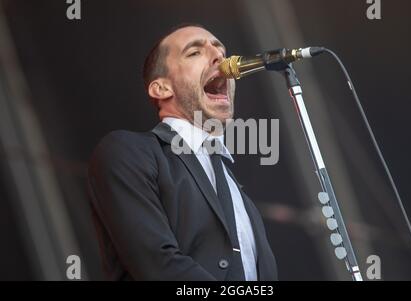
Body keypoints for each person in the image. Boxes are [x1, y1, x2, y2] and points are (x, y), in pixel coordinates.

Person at [87, 24, 277, 281]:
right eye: (194, 52)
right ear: (162, 88)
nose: (219, 57)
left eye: (220, 48)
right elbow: (159, 265)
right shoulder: (127, 152)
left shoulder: (235, 190)